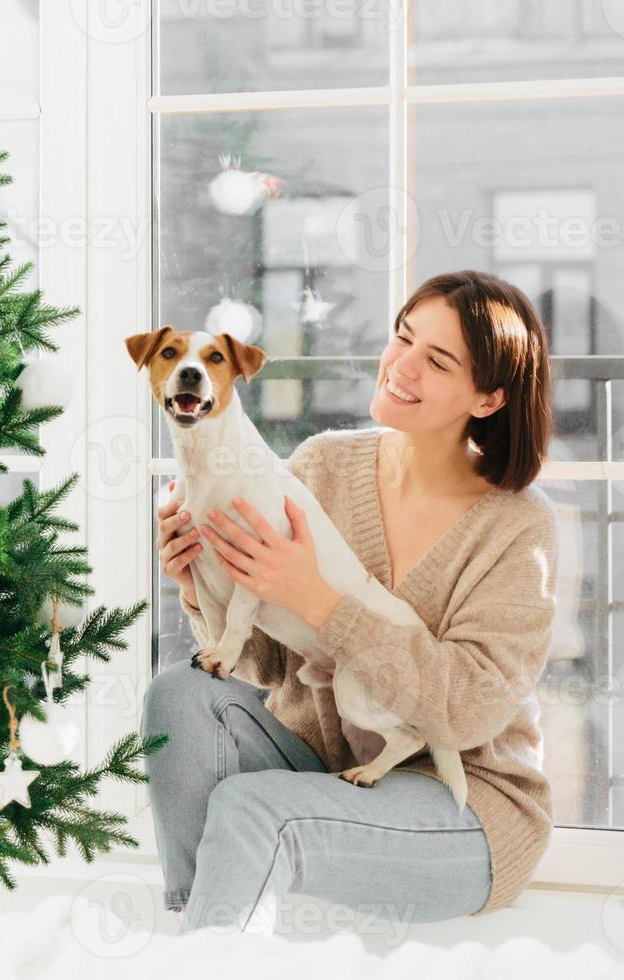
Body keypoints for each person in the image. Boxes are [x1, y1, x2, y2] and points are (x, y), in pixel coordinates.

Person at [143, 270, 559, 935]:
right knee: (178, 697)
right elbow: (271, 667)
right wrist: (200, 582)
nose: (401, 366)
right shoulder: (324, 464)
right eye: (402, 338)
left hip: (463, 813)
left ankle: (207, 950)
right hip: (327, 769)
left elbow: (470, 709)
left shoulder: (516, 526)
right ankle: (206, 932)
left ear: (488, 398)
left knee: (255, 807)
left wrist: (325, 602)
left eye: (438, 360)